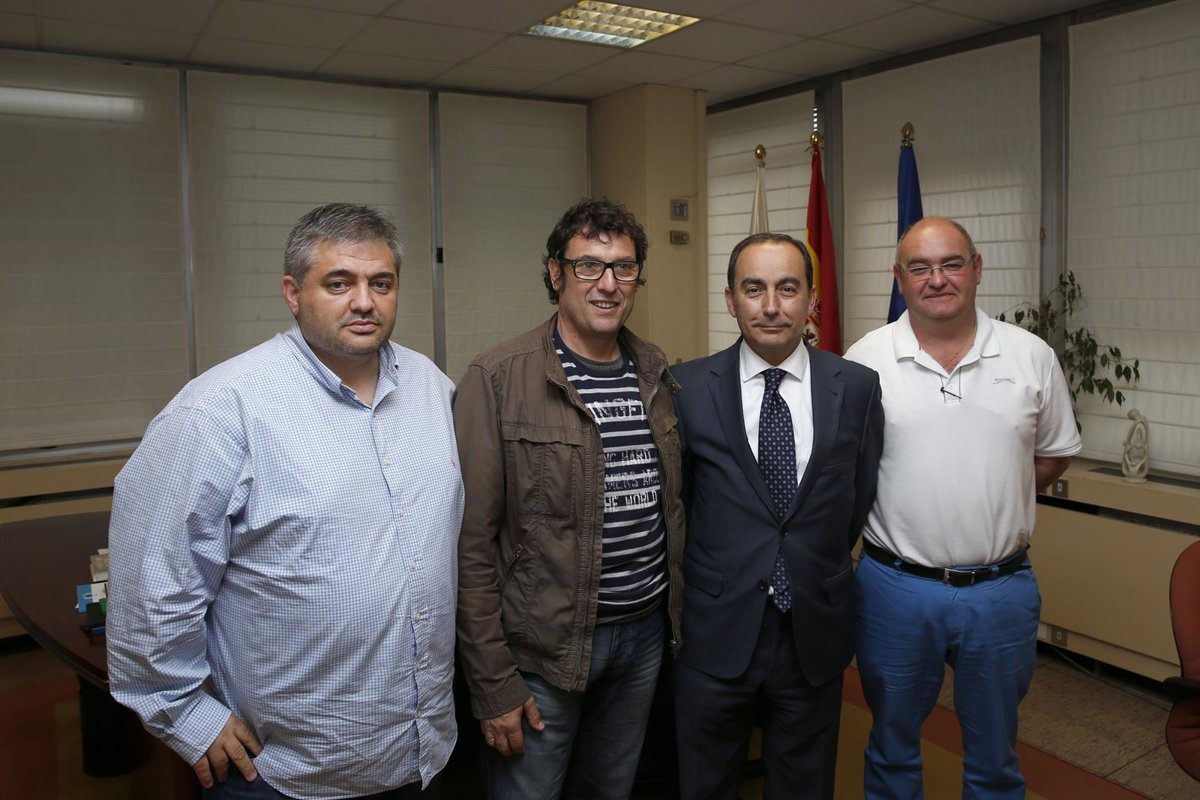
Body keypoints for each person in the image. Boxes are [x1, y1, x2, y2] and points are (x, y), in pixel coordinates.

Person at [107, 203, 464, 799]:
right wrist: (186, 715)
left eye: (381, 283)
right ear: (293, 294)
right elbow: (152, 581)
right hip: (283, 771)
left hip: (418, 752)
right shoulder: (221, 409)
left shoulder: (431, 388)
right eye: (339, 283)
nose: (365, 302)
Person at [453, 197, 685, 799]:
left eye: (624, 267)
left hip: (642, 640)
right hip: (542, 654)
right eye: (588, 266)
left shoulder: (655, 372)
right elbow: (471, 545)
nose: (608, 284)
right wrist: (492, 681)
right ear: (556, 273)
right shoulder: (497, 378)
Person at [844, 216, 1082, 799]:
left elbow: (1053, 454)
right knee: (892, 748)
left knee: (995, 759)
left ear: (977, 269)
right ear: (899, 278)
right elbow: (843, 468)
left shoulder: (1031, 355)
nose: (937, 279)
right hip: (894, 590)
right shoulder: (864, 360)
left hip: (1000, 591)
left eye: (951, 264)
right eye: (919, 268)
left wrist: (992, 489)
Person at [671, 233, 884, 800]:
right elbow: (681, 502)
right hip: (715, 629)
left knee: (804, 785)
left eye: (788, 289)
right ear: (730, 300)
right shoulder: (687, 388)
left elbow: (857, 496)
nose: (771, 306)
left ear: (812, 299)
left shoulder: (856, 387)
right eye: (754, 289)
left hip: (812, 629)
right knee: (705, 784)